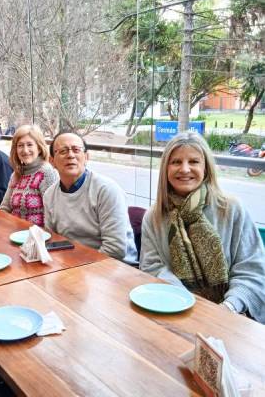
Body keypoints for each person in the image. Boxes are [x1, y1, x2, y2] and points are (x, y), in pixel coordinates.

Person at [140, 132, 265, 323]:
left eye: (194, 161)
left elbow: (253, 270)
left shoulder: (231, 209)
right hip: (176, 311)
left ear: (206, 168)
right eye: (176, 162)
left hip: (234, 314)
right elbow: (153, 268)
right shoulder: (153, 217)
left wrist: (228, 308)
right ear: (166, 168)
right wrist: (189, 304)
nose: (184, 169)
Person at [44, 132, 137, 263]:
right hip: (71, 263)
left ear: (86, 157)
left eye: (76, 150)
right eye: (63, 151)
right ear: (52, 161)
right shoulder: (49, 195)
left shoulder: (106, 190)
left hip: (115, 267)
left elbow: (115, 249)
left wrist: (75, 268)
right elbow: (53, 239)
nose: (71, 155)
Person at [0, 125, 58, 226]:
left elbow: (53, 215)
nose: (25, 150)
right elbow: (5, 207)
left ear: (39, 148)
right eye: (20, 145)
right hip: (14, 232)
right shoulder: (16, 173)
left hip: (38, 236)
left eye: (29, 145)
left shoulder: (46, 172)